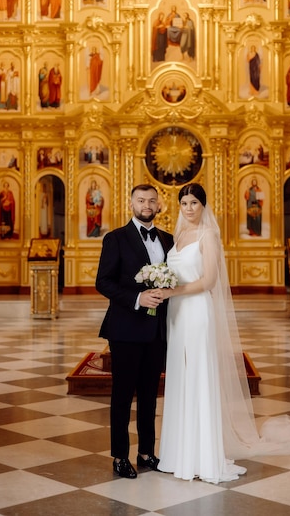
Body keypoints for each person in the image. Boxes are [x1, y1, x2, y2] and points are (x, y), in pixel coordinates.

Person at [156, 184, 290, 484]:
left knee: (199, 377)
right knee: (180, 377)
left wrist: (172, 290)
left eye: (194, 202)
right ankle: (179, 455)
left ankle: (204, 456)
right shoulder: (175, 238)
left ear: (203, 205)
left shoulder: (208, 236)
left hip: (197, 311)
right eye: (184, 203)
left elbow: (209, 280)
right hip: (176, 314)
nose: (188, 208)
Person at [96, 184, 174, 479]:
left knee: (150, 395)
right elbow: (103, 282)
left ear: (159, 204)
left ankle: (146, 453)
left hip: (157, 330)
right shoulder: (115, 238)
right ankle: (119, 456)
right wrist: (137, 298)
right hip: (126, 328)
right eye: (141, 200)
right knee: (122, 395)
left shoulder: (167, 239)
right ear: (131, 203)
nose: (146, 204)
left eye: (152, 200)